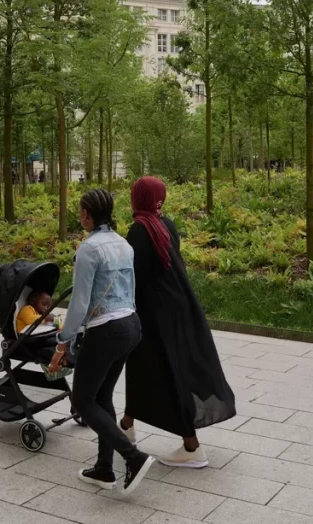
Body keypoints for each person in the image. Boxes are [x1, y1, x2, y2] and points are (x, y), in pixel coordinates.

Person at [120, 176, 236, 469]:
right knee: (141, 368)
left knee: (166, 373)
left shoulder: (139, 230)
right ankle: (126, 426)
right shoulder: (165, 224)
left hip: (156, 315)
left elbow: (134, 277)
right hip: (177, 308)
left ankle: (192, 447)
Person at [48, 189, 154, 496]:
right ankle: (104, 469)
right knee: (103, 397)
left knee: (82, 400)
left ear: (88, 214)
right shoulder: (123, 244)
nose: (79, 216)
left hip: (106, 330)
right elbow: (130, 289)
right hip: (131, 325)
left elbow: (79, 303)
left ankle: (133, 457)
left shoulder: (89, 248)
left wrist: (62, 341)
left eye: (81, 211)